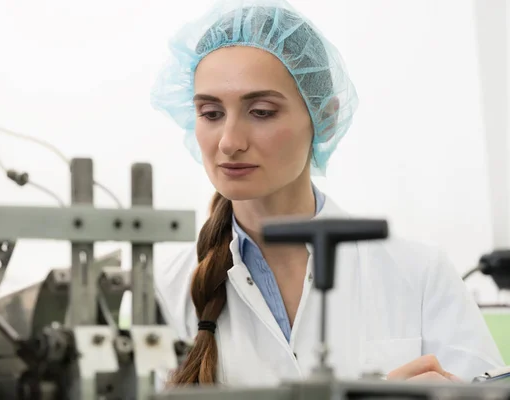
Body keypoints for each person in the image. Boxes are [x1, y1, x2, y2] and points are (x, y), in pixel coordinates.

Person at [149, 0, 504, 387]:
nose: (230, 142)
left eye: (262, 111)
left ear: (325, 117)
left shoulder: (419, 274)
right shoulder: (166, 288)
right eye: (211, 113)